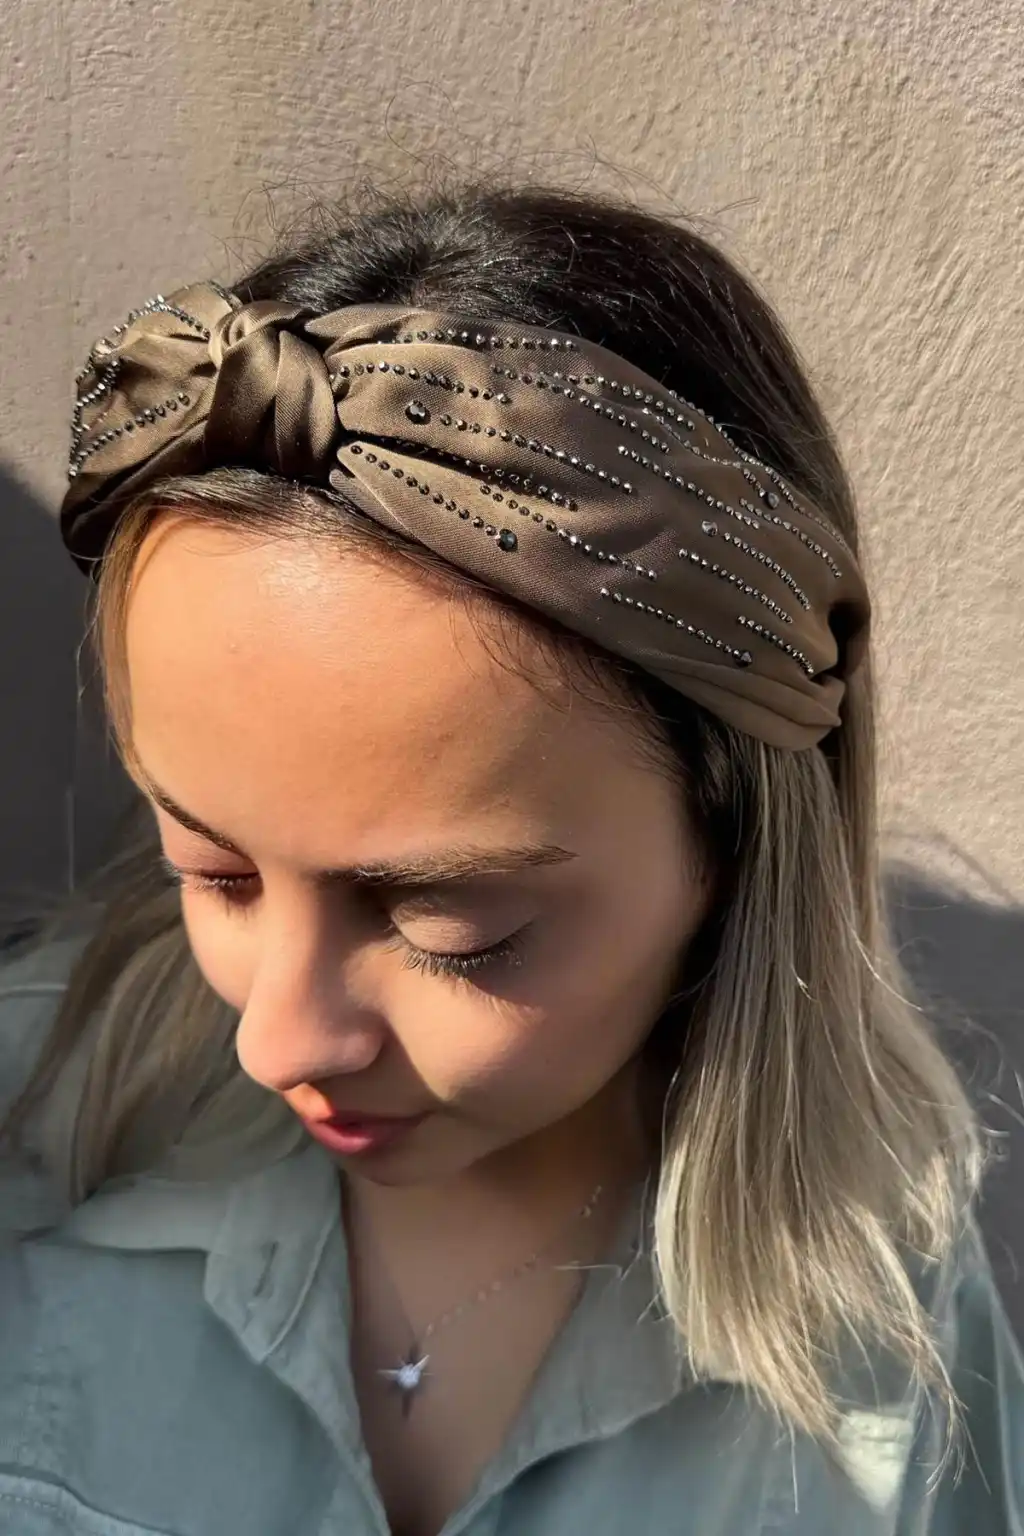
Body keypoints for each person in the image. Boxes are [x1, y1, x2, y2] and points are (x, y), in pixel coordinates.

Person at [0, 183, 1020, 1536]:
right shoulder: (33, 1123)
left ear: (733, 846)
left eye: (452, 927)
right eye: (214, 869)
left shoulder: (878, 1311)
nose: (278, 1040)